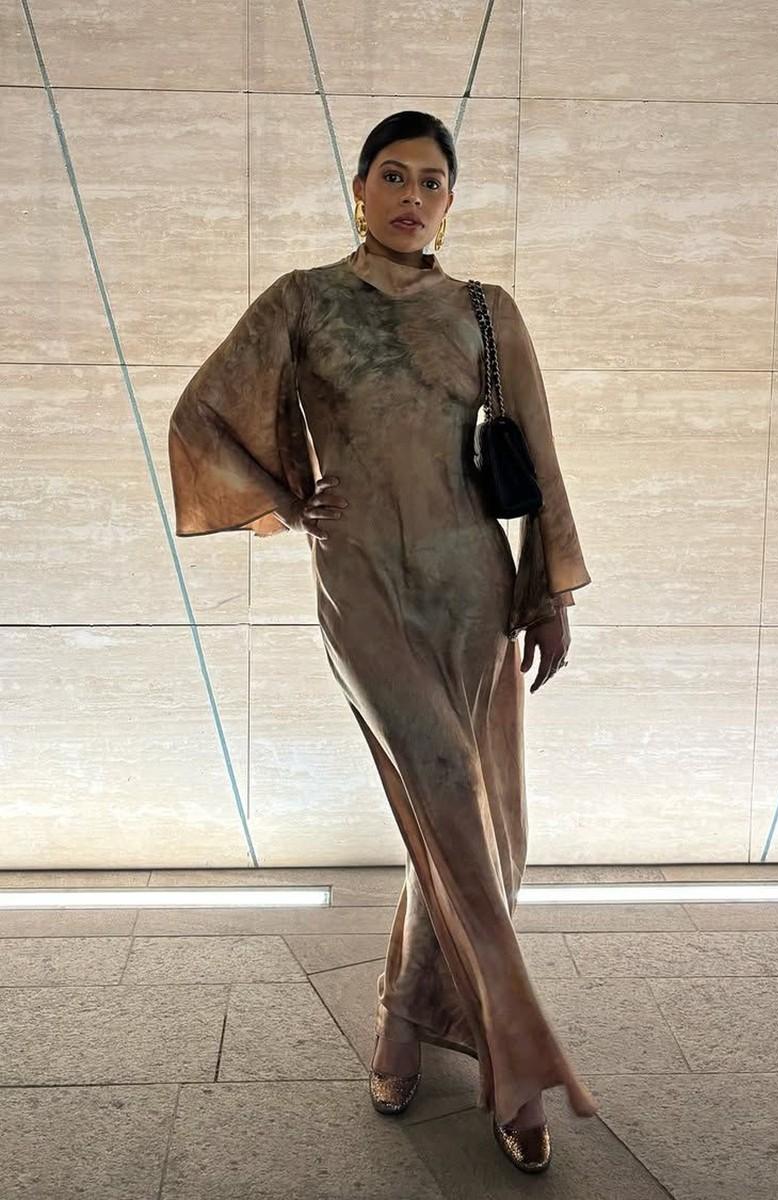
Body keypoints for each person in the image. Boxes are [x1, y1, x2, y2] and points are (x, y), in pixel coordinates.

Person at [168, 109, 597, 1174]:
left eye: (432, 181)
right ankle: (516, 1066)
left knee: (479, 827)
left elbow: (537, 459)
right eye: (393, 176)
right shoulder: (303, 300)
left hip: (471, 585)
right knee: (446, 788)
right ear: (358, 189)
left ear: (450, 200)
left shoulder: (485, 311)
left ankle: (404, 1018)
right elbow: (200, 415)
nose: (412, 197)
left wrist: (547, 594)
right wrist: (280, 498)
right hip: (360, 583)